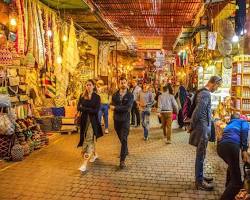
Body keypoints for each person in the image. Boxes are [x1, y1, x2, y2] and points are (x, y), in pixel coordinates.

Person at [189, 75, 222, 190]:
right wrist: (191, 125)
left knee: (201, 155)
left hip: (203, 128)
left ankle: (200, 176)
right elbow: (198, 112)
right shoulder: (205, 94)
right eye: (218, 85)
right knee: (200, 155)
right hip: (202, 129)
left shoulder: (203, 92)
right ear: (214, 83)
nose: (217, 88)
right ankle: (199, 181)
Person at [217, 113, 249, 200]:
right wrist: (244, 149)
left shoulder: (229, 124)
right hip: (232, 146)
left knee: (232, 166)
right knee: (238, 182)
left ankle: (228, 188)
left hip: (221, 148)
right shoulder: (243, 122)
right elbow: (245, 131)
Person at [77, 79, 103, 173]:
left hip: (93, 121)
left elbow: (96, 110)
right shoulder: (82, 95)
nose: (88, 87)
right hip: (84, 121)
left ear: (93, 86)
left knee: (88, 139)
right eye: (87, 85)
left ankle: (84, 164)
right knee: (88, 137)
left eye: (90, 85)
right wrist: (87, 109)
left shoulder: (97, 97)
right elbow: (78, 107)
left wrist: (84, 108)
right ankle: (95, 154)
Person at [111, 77, 134, 169]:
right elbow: (111, 105)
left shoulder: (130, 95)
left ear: (127, 83)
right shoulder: (115, 95)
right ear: (119, 83)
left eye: (124, 83)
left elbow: (128, 108)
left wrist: (116, 108)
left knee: (124, 139)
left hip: (125, 120)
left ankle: (122, 161)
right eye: (121, 83)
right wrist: (116, 107)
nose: (123, 84)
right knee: (121, 138)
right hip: (116, 120)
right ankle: (126, 150)